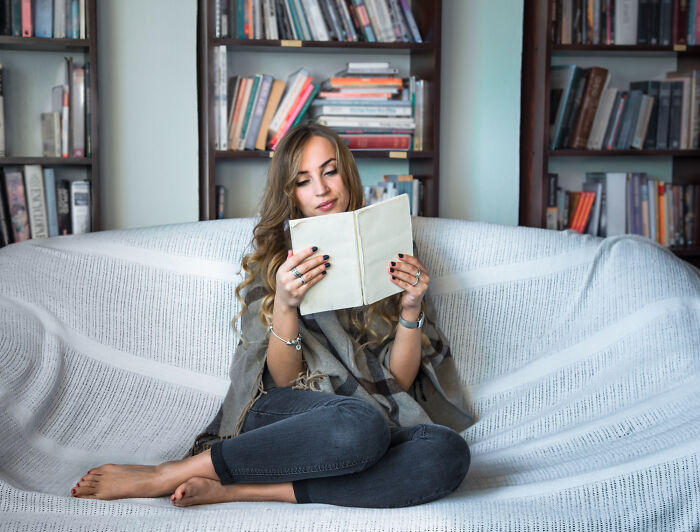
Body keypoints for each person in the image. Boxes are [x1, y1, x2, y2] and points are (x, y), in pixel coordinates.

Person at [71, 124, 473, 508]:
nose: (321, 189)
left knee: (445, 452)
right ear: (290, 192)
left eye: (330, 172)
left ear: (347, 175)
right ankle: (167, 474)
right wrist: (284, 303)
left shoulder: (390, 245)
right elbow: (282, 380)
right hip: (285, 417)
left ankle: (239, 491)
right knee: (359, 424)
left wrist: (410, 307)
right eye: (303, 180)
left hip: (367, 418)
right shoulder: (276, 262)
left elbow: (397, 384)